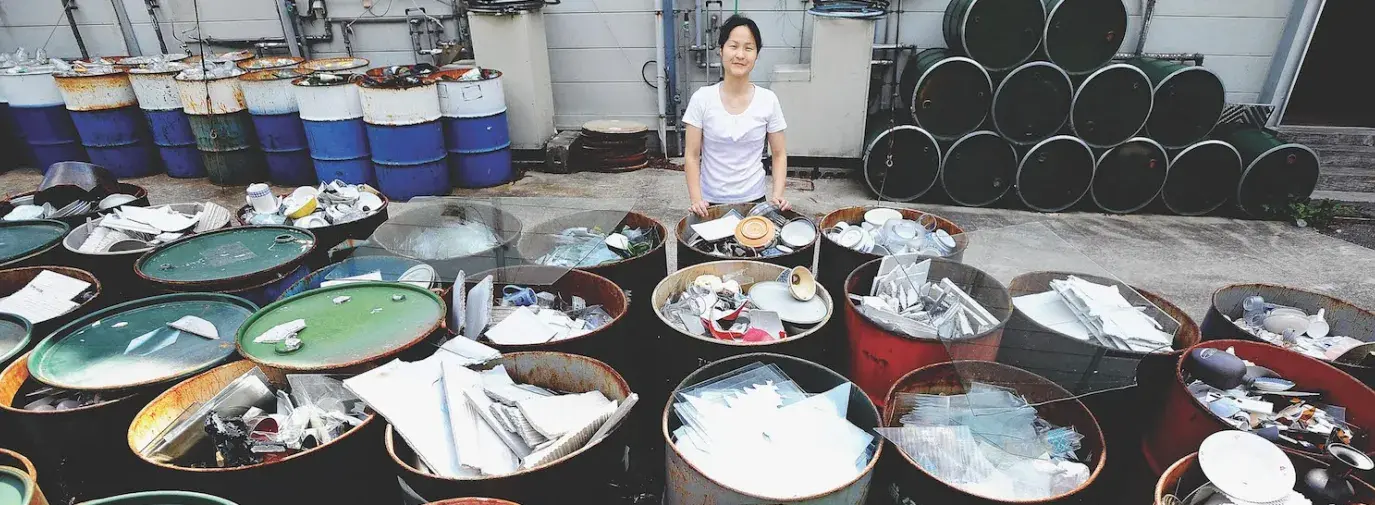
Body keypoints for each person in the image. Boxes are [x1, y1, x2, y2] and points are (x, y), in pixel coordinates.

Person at [683, 14, 790, 217]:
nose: (740, 55)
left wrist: (777, 195)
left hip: (754, 202)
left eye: (748, 48)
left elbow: (779, 154)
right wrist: (696, 199)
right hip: (709, 203)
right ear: (721, 50)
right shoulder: (702, 99)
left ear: (756, 55)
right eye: (733, 46)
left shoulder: (768, 100)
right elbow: (691, 155)